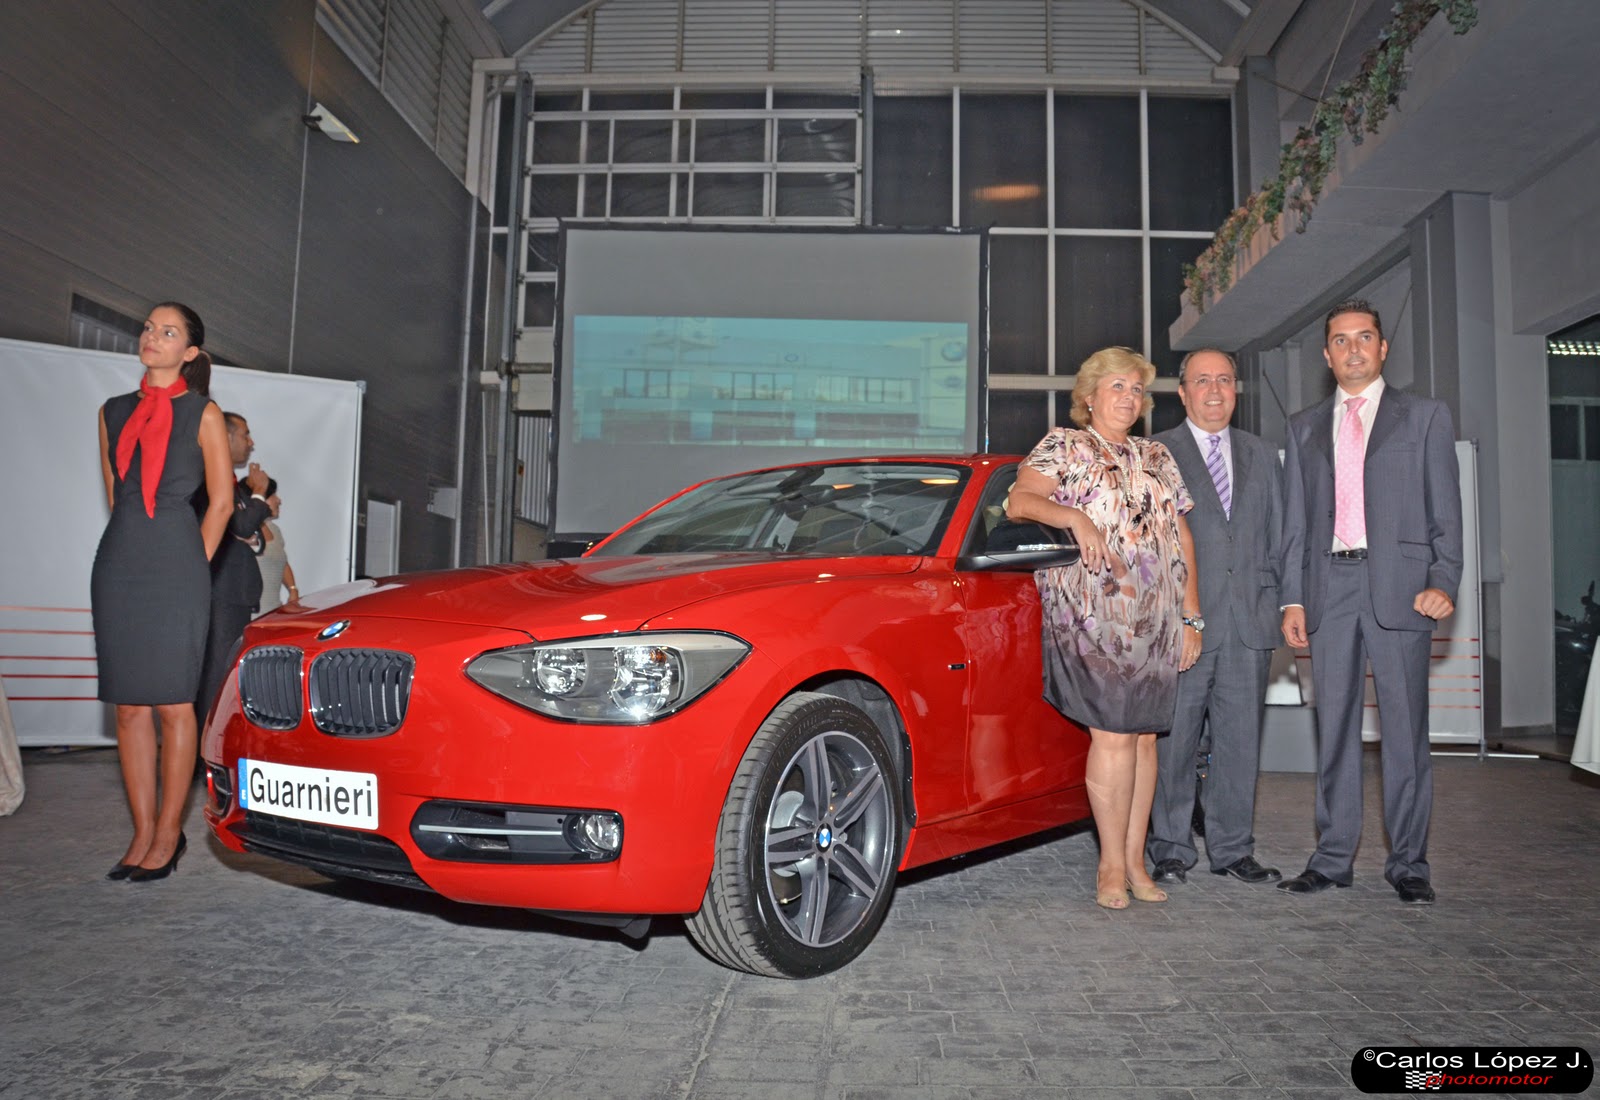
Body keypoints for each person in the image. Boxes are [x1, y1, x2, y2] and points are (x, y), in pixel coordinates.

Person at [1278, 300, 1463, 905]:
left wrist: (1444, 579)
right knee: (1333, 728)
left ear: (1383, 348)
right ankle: (1332, 859)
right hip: (1328, 588)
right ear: (1326, 355)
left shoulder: (1425, 417)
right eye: (1340, 340)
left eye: (1364, 338)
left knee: (1404, 731)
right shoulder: (1303, 427)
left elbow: (1446, 511)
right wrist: (1292, 599)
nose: (1353, 348)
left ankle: (1409, 863)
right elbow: (1296, 525)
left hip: (1403, 589)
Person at [1007, 346, 1202, 910]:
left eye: (1136, 389)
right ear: (1089, 397)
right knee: (1114, 735)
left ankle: (1136, 861)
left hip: (1157, 619)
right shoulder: (1065, 445)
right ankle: (1110, 865)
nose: (1129, 397)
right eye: (1117, 386)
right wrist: (1074, 517)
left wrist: (1191, 615)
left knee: (1144, 738)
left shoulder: (1157, 454)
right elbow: (1020, 501)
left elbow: (1181, 538)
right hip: (1093, 613)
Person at [91, 302, 235, 881]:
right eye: (149, 328)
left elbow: (221, 502)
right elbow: (116, 495)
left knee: (175, 705)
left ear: (189, 352)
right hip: (120, 562)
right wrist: (138, 549)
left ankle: (170, 834)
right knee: (128, 707)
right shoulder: (112, 411)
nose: (152, 337)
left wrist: (191, 565)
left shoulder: (203, 412)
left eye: (168, 332)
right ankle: (142, 831)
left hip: (179, 563)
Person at [1147, 349, 1284, 887]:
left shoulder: (1261, 453)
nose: (1214, 390)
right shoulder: (1157, 452)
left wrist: (1284, 603)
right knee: (1174, 742)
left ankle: (1232, 849)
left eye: (1224, 379)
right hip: (1184, 624)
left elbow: (1280, 536)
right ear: (1182, 393)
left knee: (1238, 743)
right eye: (1202, 380)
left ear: (1236, 390)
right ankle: (1171, 849)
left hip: (1249, 622)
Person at [195, 413, 272, 721]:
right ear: (225, 438)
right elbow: (241, 523)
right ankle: (204, 748)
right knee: (216, 677)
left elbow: (253, 535)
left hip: (234, 594)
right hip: (221, 593)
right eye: (245, 434)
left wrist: (248, 532)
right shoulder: (209, 478)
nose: (251, 442)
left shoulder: (230, 482)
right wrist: (259, 493)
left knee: (226, 676)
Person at [253, 479, 299, 614]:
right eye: (272, 495)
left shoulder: (274, 530)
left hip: (272, 611)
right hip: (249, 615)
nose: (278, 500)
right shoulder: (243, 532)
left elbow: (282, 562)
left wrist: (293, 589)